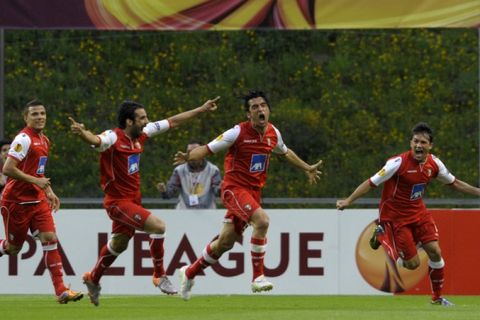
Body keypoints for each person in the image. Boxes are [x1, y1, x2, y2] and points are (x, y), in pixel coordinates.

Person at [69, 97, 219, 306]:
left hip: (133, 200)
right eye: (142, 118)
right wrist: (82, 133)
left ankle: (93, 278)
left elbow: (173, 121)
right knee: (158, 227)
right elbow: (95, 140)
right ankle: (159, 275)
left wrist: (201, 109)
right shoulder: (113, 137)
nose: (147, 121)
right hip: (117, 202)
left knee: (119, 244)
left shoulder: (143, 134)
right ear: (129, 122)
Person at [173, 90, 323, 300]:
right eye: (255, 107)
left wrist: (307, 168)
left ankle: (189, 273)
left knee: (225, 243)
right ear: (248, 115)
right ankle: (258, 277)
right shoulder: (237, 133)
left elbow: (285, 151)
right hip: (234, 189)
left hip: (253, 193)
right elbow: (206, 149)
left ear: (268, 110)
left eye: (263, 105)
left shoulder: (273, 133)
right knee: (262, 221)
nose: (260, 109)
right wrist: (189, 156)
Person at [336, 122, 480, 306]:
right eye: (415, 141)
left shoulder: (434, 164)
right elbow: (371, 182)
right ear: (411, 143)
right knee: (412, 265)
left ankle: (437, 298)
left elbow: (455, 183)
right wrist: (348, 200)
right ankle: (381, 235)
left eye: (422, 142)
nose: (418, 145)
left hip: (419, 213)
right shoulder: (397, 164)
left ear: (430, 146)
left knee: (435, 251)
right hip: (396, 218)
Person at [0, 100, 83, 304]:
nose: (40, 117)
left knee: (49, 237)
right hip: (15, 202)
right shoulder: (23, 139)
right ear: (26, 118)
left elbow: (39, 172)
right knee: (13, 248)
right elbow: (8, 169)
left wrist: (48, 191)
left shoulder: (44, 140)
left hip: (36, 201)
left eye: (42, 113)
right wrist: (36, 181)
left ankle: (61, 291)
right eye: (35, 114)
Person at [157, 139, 222, 209]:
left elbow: (217, 191)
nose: (191, 154)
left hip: (208, 213)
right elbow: (169, 194)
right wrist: (164, 191)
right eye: (189, 151)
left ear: (203, 152)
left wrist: (221, 188)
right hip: (184, 214)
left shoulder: (213, 170)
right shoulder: (179, 170)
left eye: (195, 151)